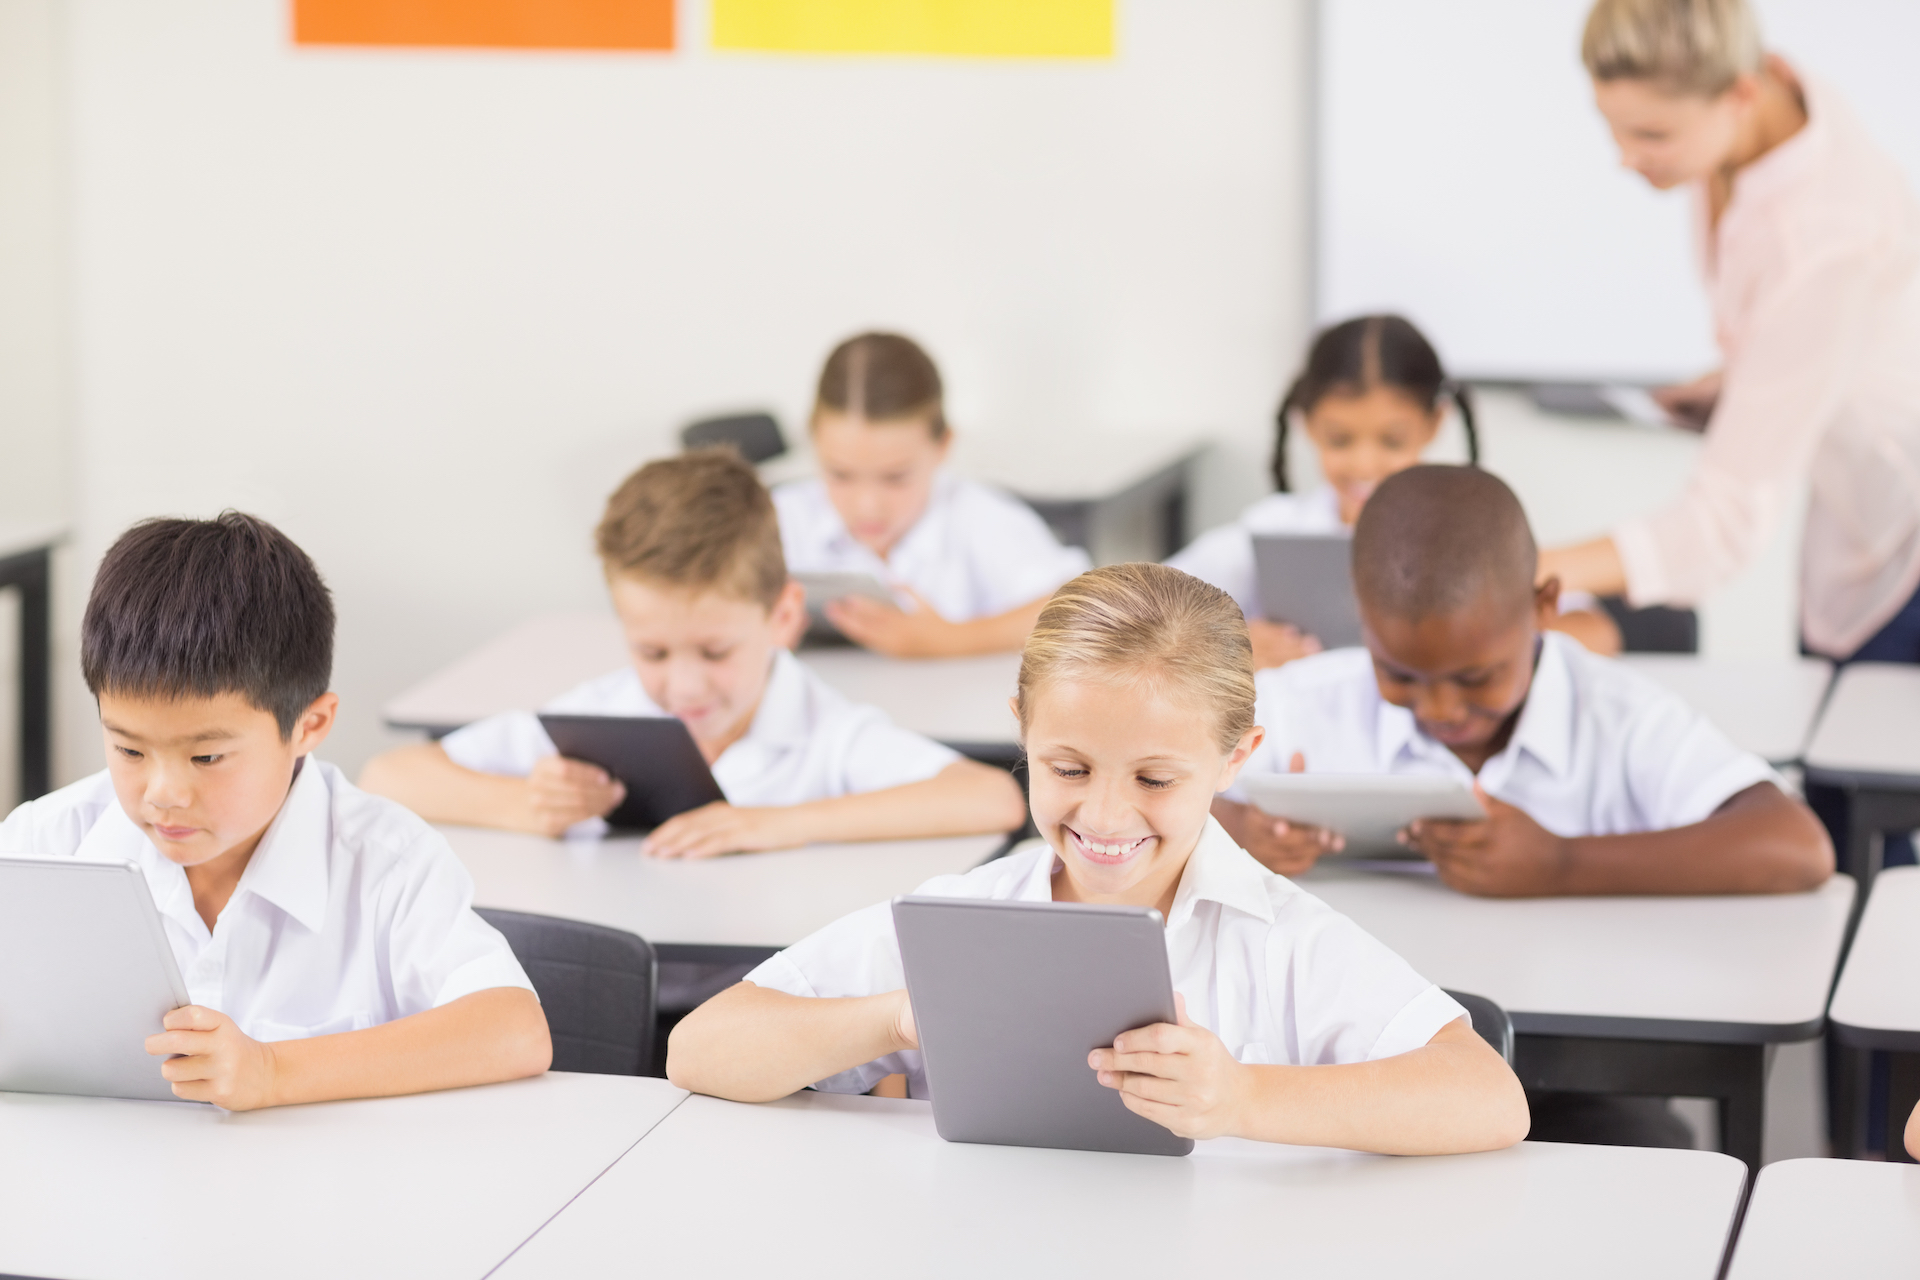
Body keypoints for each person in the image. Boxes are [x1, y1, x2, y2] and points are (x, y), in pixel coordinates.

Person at [666, 563, 1529, 1156]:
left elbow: (1490, 1098)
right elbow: (700, 1050)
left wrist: (1244, 1100)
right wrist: (897, 1019)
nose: (1106, 814)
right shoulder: (963, 917)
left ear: (1236, 759)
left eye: (1155, 778)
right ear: (1023, 732)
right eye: (1068, 769)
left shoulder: (1277, 935)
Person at [0, 513, 551, 1110]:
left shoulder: (384, 861)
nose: (163, 792)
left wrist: (273, 1071)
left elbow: (514, 1030)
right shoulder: (45, 843)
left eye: (206, 756)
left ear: (309, 726)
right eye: (129, 749)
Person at [361, 450, 1026, 857]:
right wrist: (526, 807)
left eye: (713, 650)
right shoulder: (598, 715)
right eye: (652, 650)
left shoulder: (823, 730)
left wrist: (775, 824)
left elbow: (991, 798)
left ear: (784, 616)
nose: (683, 686)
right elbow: (388, 776)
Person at [1218, 465, 1832, 896]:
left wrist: (1564, 865)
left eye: (1475, 675)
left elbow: (1797, 846)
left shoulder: (1616, 714)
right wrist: (1239, 831)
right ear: (1362, 614)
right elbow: (1132, 791)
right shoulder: (1307, 700)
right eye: (1400, 673)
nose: (1438, 706)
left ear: (1545, 607)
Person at [1544, 0, 1920, 669]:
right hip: (1848, 522)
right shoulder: (1768, 97)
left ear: (1741, 93)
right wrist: (1742, 384)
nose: (1626, 158)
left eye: (1652, 135)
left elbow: (1723, 525)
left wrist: (1531, 569)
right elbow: (1840, 336)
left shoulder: (1824, 240)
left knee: (1856, 762)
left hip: (1902, 548)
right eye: (1613, 128)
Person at [1168, 315, 1620, 667]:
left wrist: (1483, 644)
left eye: (1393, 441)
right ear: (1307, 426)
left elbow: (1598, 635)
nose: (1365, 465)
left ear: (1434, 424)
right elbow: (1141, 612)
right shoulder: (1271, 531)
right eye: (1340, 440)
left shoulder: (1479, 537)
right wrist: (1227, 649)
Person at [773, 331, 1091, 657]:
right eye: (840, 474)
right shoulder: (776, 520)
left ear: (943, 446)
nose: (867, 507)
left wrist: (953, 639)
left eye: (895, 477)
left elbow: (1084, 609)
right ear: (812, 440)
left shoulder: (977, 516)